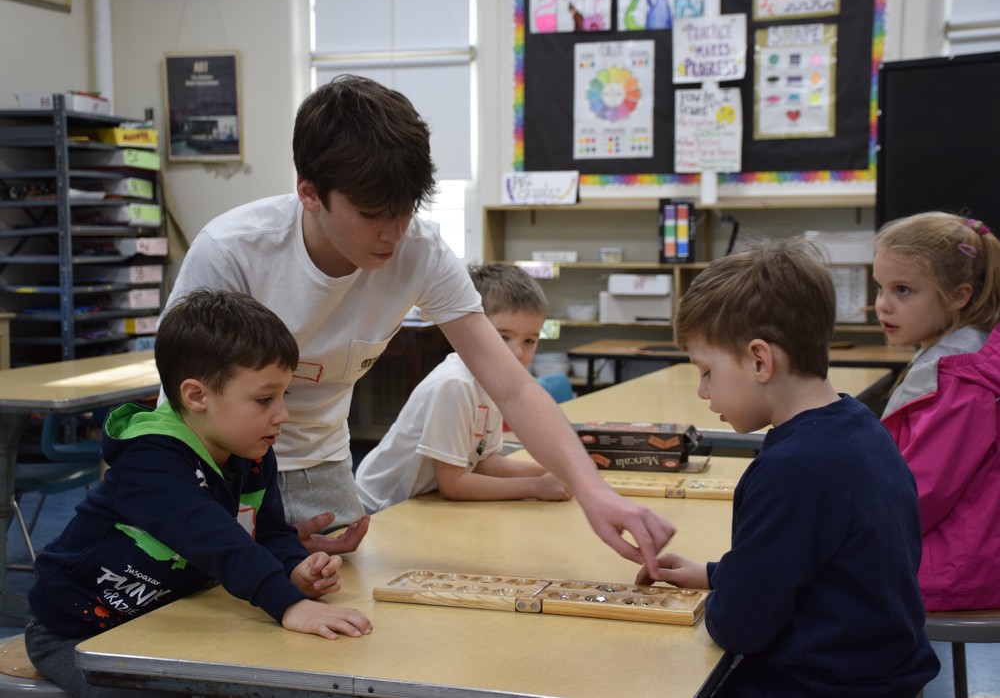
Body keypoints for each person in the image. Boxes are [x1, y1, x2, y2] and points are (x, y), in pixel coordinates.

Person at [163, 74, 675, 570]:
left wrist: (594, 493)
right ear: (310, 192)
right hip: (221, 463)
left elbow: (513, 388)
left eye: (406, 209)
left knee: (337, 612)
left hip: (320, 462)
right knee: (205, 604)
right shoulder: (232, 251)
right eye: (370, 213)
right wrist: (253, 529)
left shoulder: (421, 251)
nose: (393, 232)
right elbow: (181, 411)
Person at [26, 290, 372, 697]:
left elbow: (269, 532)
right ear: (196, 396)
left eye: (284, 395)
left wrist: (295, 569)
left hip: (165, 619)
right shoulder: (151, 461)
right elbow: (219, 542)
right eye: (264, 399)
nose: (282, 414)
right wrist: (288, 604)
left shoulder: (252, 452)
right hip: (76, 632)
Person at [637, 238, 939, 697]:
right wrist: (716, 574)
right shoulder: (862, 429)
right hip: (884, 674)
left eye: (706, 371)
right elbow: (817, 560)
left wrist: (725, 596)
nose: (702, 392)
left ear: (760, 360)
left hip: (817, 685)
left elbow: (739, 628)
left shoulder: (792, 468)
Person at [356, 263, 572, 511]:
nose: (518, 352)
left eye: (529, 340)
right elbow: (454, 484)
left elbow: (482, 462)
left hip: (419, 502)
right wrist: (537, 487)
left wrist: (556, 472)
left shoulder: (496, 381)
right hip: (379, 510)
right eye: (503, 337)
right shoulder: (456, 385)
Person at [873, 212, 1000, 611]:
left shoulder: (960, 384)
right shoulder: (958, 359)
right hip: (960, 555)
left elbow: (916, 498)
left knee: (805, 575)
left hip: (955, 571)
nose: (883, 305)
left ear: (959, 296)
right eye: (880, 288)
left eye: (903, 290)